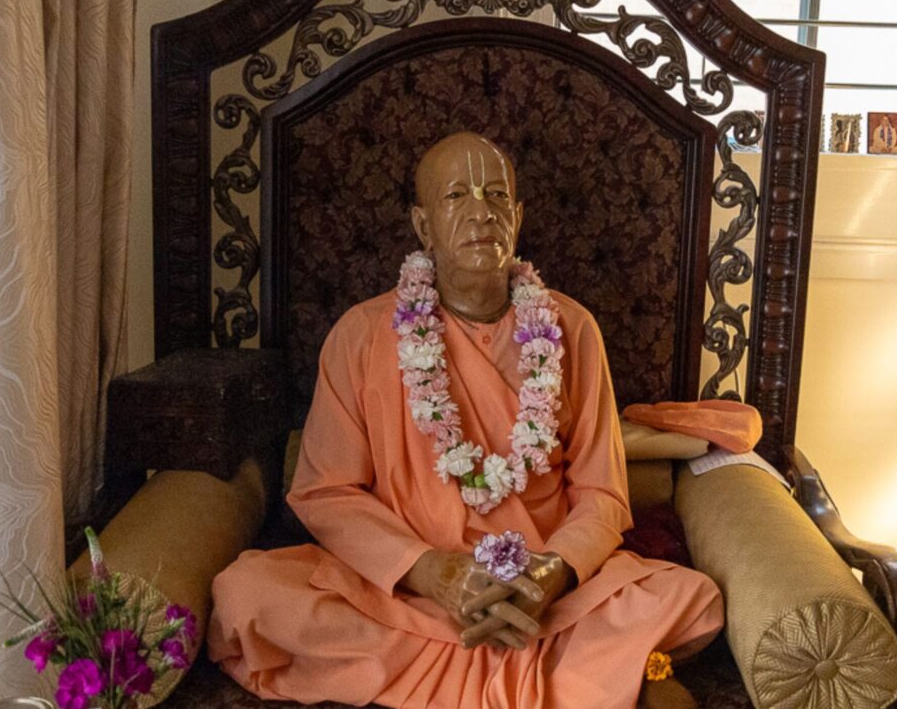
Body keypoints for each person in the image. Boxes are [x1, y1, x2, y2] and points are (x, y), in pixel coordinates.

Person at [207, 132, 724, 709]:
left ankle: (497, 651)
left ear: (518, 216)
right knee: (245, 597)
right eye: (457, 197)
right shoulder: (361, 334)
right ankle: (574, 670)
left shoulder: (572, 329)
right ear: (423, 226)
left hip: (543, 590)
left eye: (496, 195)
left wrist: (552, 573)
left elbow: (604, 492)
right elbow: (325, 492)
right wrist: (432, 573)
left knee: (690, 596)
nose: (482, 211)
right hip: (407, 589)